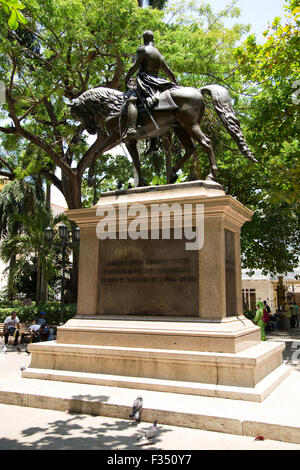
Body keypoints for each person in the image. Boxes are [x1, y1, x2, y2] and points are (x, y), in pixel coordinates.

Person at [124, 30, 178, 150]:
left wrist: (126, 78)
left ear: (144, 39)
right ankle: (154, 142)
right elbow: (169, 72)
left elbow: (134, 67)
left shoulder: (142, 49)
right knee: (152, 107)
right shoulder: (158, 53)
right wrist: (175, 83)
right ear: (153, 39)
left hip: (145, 81)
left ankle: (131, 128)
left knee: (131, 98)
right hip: (157, 83)